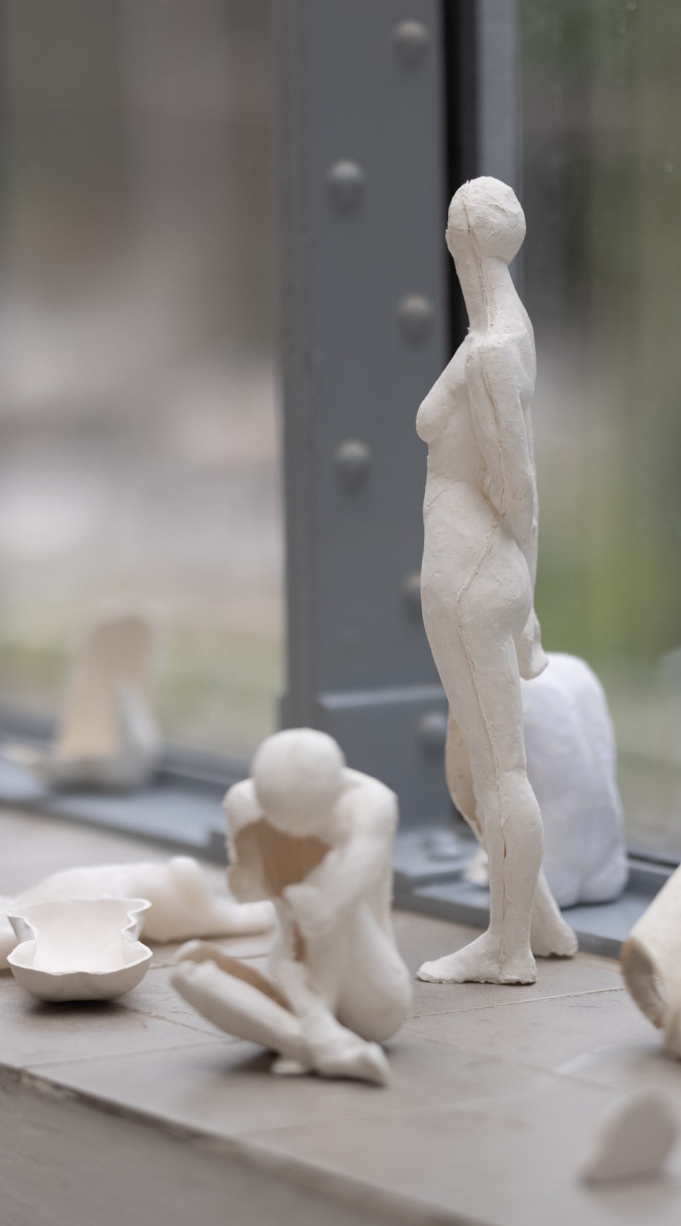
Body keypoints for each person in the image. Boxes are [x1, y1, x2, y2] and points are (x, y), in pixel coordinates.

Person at [412, 176, 577, 985]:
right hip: (485, 572)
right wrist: (527, 594)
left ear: (458, 238)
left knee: (498, 769)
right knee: (467, 772)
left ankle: (506, 948)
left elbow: (517, 486)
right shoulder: (505, 331)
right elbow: (521, 486)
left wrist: (528, 603)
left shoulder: (489, 352)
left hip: (471, 575)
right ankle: (540, 922)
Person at [170, 729, 411, 1084]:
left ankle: (308, 1031)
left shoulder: (369, 804)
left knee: (323, 896)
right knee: (189, 970)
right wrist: (299, 991)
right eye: (278, 816)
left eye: (307, 817)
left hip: (373, 994)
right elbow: (251, 891)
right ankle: (319, 1045)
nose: (293, 830)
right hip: (294, 974)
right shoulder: (244, 802)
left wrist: (300, 990)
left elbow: (325, 909)